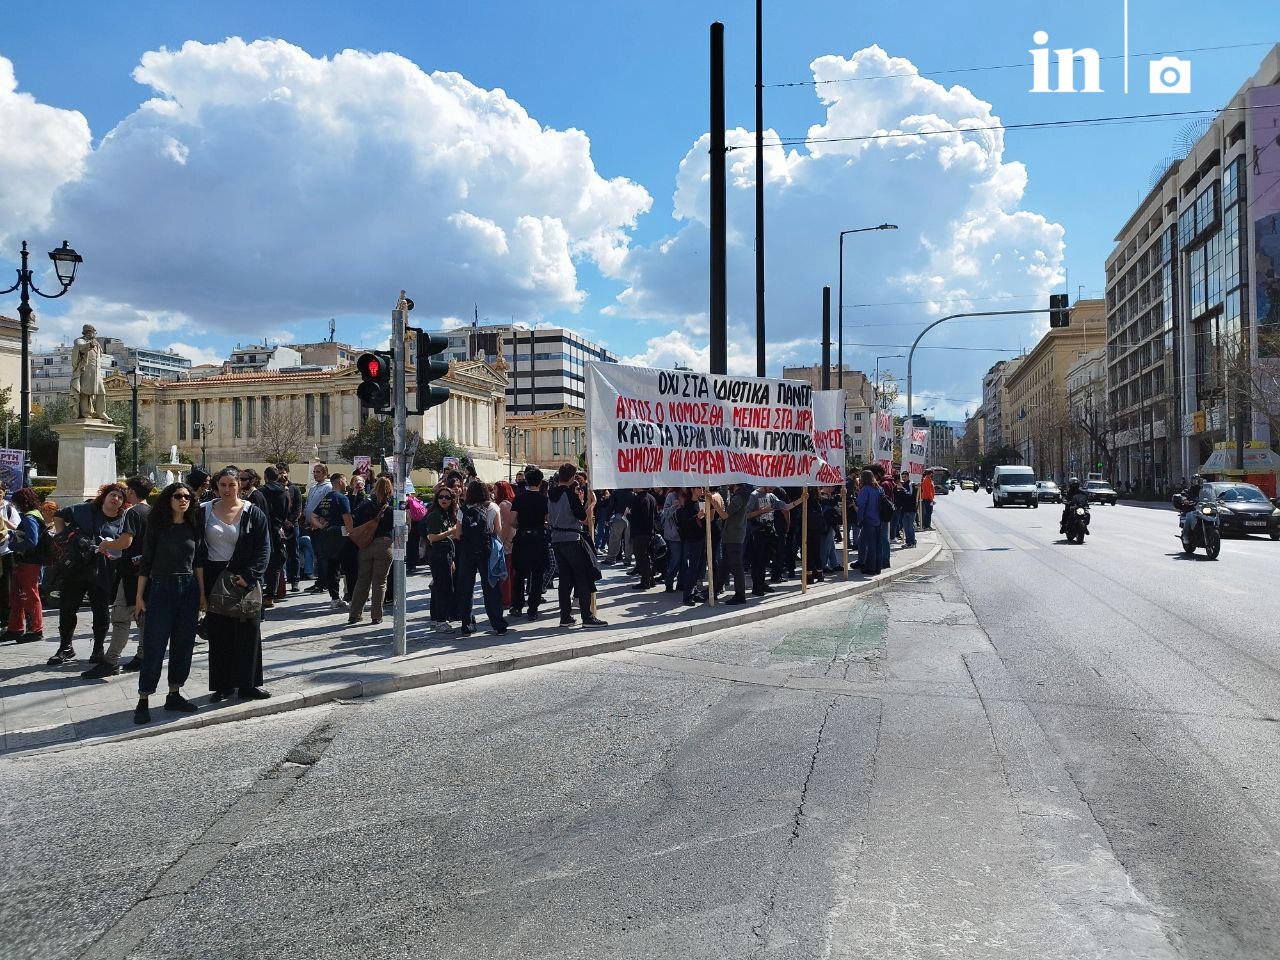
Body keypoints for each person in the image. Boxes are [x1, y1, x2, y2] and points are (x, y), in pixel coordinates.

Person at [131, 482, 206, 724]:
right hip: (161, 588)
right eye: (178, 496)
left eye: (187, 496)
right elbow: (146, 563)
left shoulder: (194, 527)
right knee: (155, 646)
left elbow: (199, 563)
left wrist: (202, 595)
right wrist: (139, 597)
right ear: (168, 499)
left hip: (189, 589)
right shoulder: (157, 527)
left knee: (183, 645)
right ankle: (144, 699)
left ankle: (174, 693)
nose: (183, 500)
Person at [202, 467, 271, 702]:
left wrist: (251, 576)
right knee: (219, 634)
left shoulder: (253, 512)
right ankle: (223, 686)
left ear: (239, 485)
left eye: (232, 484)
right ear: (216, 486)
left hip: (243, 578)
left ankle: (248, 684)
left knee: (248, 632)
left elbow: (264, 548)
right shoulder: (204, 511)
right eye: (223, 485)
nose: (228, 489)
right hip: (215, 577)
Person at [48, 483, 133, 666]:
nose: (115, 499)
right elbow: (59, 514)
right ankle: (65, 647)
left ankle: (98, 648)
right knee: (68, 607)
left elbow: (125, 543)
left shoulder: (123, 519)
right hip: (75, 568)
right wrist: (62, 536)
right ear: (104, 495)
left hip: (103, 570)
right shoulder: (85, 510)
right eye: (113, 494)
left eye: (120, 497)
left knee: (100, 610)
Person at [84, 476, 153, 679]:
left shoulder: (133, 513)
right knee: (143, 618)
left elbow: (125, 542)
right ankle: (142, 656)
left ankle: (110, 660)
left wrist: (106, 545)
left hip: (131, 572)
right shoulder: (154, 512)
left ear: (131, 492)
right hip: (148, 572)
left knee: (121, 618)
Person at [548, 463, 606, 627]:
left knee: (565, 579)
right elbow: (582, 517)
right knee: (582, 576)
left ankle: (565, 616)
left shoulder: (550, 494)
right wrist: (591, 504)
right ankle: (587, 617)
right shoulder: (569, 494)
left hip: (556, 538)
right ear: (572, 477)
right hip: (571, 538)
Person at [453, 480, 507, 636]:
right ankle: (498, 624)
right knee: (491, 586)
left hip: (467, 551)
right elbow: (497, 530)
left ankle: (467, 624)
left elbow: (458, 534)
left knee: (466, 587)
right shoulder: (492, 507)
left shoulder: (463, 509)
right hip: (486, 549)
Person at [349, 476, 394, 625]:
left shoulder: (365, 505)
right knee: (380, 582)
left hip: (366, 545)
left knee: (362, 580)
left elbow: (355, 522)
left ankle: (354, 614)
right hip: (384, 544)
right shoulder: (391, 508)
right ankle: (376, 615)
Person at [4, 488, 46, 643]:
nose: (14, 505)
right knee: (18, 596)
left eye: (16, 501)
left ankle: (35, 630)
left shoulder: (30, 518)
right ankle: (15, 628)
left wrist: (13, 545)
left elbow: (31, 541)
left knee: (29, 595)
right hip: (26, 562)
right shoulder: (34, 515)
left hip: (29, 562)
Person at [509, 467, 550, 619]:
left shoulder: (519, 498)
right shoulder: (544, 499)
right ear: (540, 482)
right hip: (539, 539)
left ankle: (517, 606)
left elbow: (512, 521)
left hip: (522, 538)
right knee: (537, 575)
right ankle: (533, 608)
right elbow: (549, 519)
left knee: (519, 574)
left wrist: (521, 526)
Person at [310, 473, 353, 610]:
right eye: (345, 480)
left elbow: (313, 516)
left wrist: (321, 526)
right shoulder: (342, 498)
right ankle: (351, 598)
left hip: (327, 536)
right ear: (340, 481)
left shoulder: (326, 498)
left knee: (332, 567)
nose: (346, 483)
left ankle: (334, 598)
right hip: (342, 536)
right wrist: (352, 533)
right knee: (348, 568)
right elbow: (347, 518)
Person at [425, 486, 459, 630]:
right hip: (439, 554)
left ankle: (436, 619)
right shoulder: (435, 515)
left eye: (447, 497)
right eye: (441, 497)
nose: (444, 499)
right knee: (443, 588)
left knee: (439, 586)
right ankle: (440, 620)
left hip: (445, 553)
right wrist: (451, 531)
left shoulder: (445, 514)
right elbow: (432, 538)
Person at [260, 467, 291, 602]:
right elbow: (287, 510)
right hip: (278, 528)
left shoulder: (262, 491)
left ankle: (263, 593)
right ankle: (271, 595)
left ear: (265, 477)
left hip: (265, 529)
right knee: (276, 564)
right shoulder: (285, 492)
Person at [720, 484, 751, 604]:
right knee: (724, 566)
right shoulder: (738, 496)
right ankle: (714, 590)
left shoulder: (738, 497)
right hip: (732, 535)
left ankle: (740, 595)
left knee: (736, 567)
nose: (727, 484)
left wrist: (712, 501)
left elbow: (724, 515)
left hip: (734, 536)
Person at [303, 463, 332, 593]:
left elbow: (327, 507)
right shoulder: (314, 487)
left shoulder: (328, 487)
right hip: (311, 526)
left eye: (318, 472)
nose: (315, 474)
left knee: (322, 556)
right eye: (314, 472)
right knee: (318, 555)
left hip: (320, 527)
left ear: (325, 473)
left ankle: (324, 583)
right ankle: (319, 581)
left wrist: (319, 521)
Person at [627, 487, 658, 590]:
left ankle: (646, 581)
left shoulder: (639, 499)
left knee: (641, 556)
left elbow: (636, 516)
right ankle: (651, 579)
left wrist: (628, 515)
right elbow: (655, 515)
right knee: (646, 556)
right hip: (649, 531)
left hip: (640, 532)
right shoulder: (651, 498)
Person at [494, 480, 517, 610]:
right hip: (510, 540)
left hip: (507, 541)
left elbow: (506, 525)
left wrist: (500, 541)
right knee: (510, 571)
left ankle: (506, 599)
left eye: (496, 490)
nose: (494, 492)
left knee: (506, 572)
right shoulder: (508, 503)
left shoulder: (503, 504)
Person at [856, 469, 884, 576]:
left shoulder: (865, 489)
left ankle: (870, 567)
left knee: (870, 544)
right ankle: (877, 567)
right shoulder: (879, 488)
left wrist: (860, 518)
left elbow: (861, 505)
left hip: (869, 519)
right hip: (878, 519)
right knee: (877, 544)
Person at [0, 482, 20, 630]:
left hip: (6, 552)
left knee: (5, 587)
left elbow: (19, 530)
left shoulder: (8, 508)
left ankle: (5, 620)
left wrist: (4, 522)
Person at [896, 471, 918, 549]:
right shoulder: (904, 485)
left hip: (911, 509)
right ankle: (908, 542)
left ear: (908, 477)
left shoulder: (911, 484)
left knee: (910, 527)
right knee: (905, 527)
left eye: (905, 477)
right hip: (904, 509)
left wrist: (902, 489)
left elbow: (910, 495)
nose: (903, 479)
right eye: (902, 477)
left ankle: (912, 542)